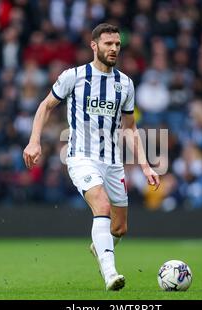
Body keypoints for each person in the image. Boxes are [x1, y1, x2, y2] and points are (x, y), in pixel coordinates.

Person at [23, 23, 160, 291]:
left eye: (118, 44)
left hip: (113, 162)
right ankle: (110, 273)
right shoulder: (73, 76)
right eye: (108, 44)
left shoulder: (125, 84)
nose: (114, 49)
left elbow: (130, 128)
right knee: (102, 206)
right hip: (81, 157)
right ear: (94, 46)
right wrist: (34, 141)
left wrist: (145, 166)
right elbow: (45, 105)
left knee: (119, 229)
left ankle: (100, 246)